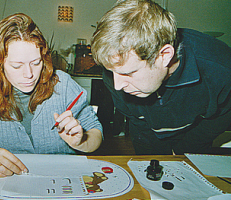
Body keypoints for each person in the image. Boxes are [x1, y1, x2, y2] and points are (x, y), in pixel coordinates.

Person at [0, 13, 102, 177]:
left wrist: (82, 141)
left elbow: (97, 132)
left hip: (62, 181)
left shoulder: (63, 84)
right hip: (11, 184)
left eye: (36, 63)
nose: (29, 74)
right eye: (17, 66)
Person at [91, 0, 231, 155]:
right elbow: (140, 126)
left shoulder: (221, 68)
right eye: (112, 72)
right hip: (147, 134)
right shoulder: (114, 74)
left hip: (197, 135)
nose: (117, 85)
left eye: (128, 73)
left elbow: (221, 117)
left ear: (165, 56)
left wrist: (184, 152)